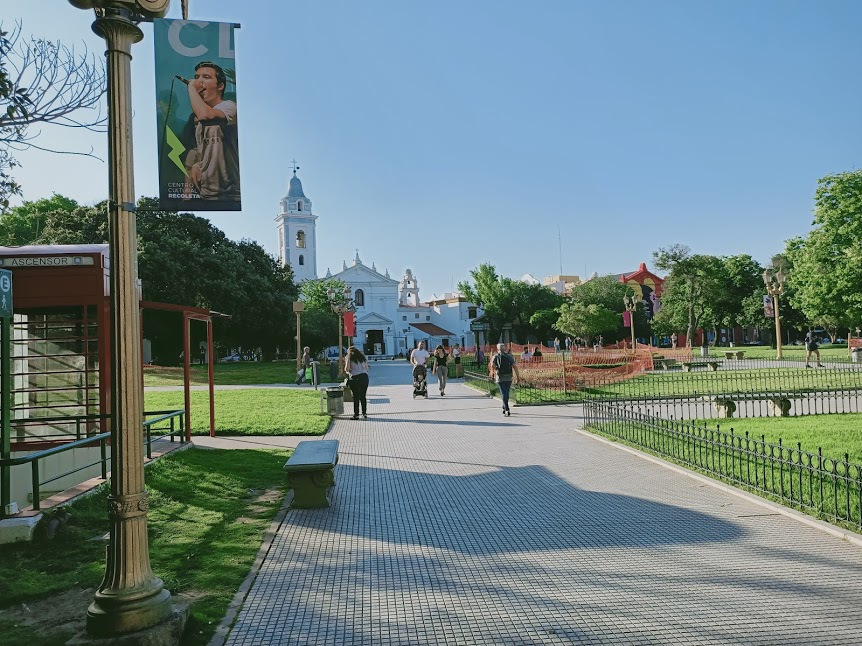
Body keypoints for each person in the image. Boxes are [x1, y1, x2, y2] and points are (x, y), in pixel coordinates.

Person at [182, 61, 240, 204]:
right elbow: (202, 149)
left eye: (206, 77)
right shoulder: (196, 118)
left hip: (230, 195)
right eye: (196, 77)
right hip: (206, 193)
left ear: (220, 86)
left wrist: (191, 88)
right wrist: (197, 165)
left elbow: (206, 116)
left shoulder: (229, 107)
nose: (199, 81)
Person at [489, 342, 521, 417]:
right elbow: (515, 366)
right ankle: (504, 406)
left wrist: (496, 370)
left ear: (497, 349)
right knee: (506, 392)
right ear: (504, 348)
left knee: (503, 393)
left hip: (500, 377)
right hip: (509, 377)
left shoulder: (495, 356)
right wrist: (518, 377)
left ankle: (506, 409)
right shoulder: (509, 356)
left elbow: (492, 365)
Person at [344, 346, 370, 419]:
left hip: (355, 378)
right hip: (364, 377)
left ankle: (356, 414)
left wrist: (348, 360)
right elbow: (366, 368)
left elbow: (347, 369)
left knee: (355, 397)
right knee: (363, 396)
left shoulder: (349, 358)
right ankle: (364, 413)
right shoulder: (362, 358)